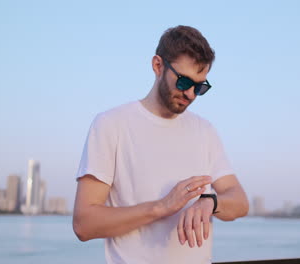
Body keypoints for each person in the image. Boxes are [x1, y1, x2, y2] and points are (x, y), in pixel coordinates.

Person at [72, 25, 249, 264]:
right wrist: (161, 207)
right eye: (185, 82)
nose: (191, 95)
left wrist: (210, 202)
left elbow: (240, 202)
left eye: (200, 87)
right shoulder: (111, 124)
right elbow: (84, 223)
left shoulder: (204, 131)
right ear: (158, 66)